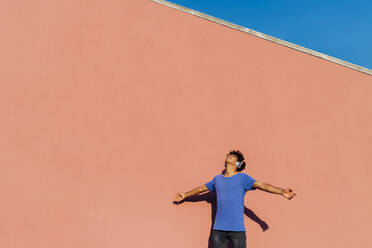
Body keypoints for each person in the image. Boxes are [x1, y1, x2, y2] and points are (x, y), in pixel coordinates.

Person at [173, 149, 296, 248]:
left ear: (238, 163)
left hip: (237, 230)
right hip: (218, 230)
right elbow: (200, 189)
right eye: (229, 155)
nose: (230, 156)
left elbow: (262, 185)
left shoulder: (243, 178)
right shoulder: (217, 179)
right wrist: (185, 195)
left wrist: (281, 191)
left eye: (233, 156)